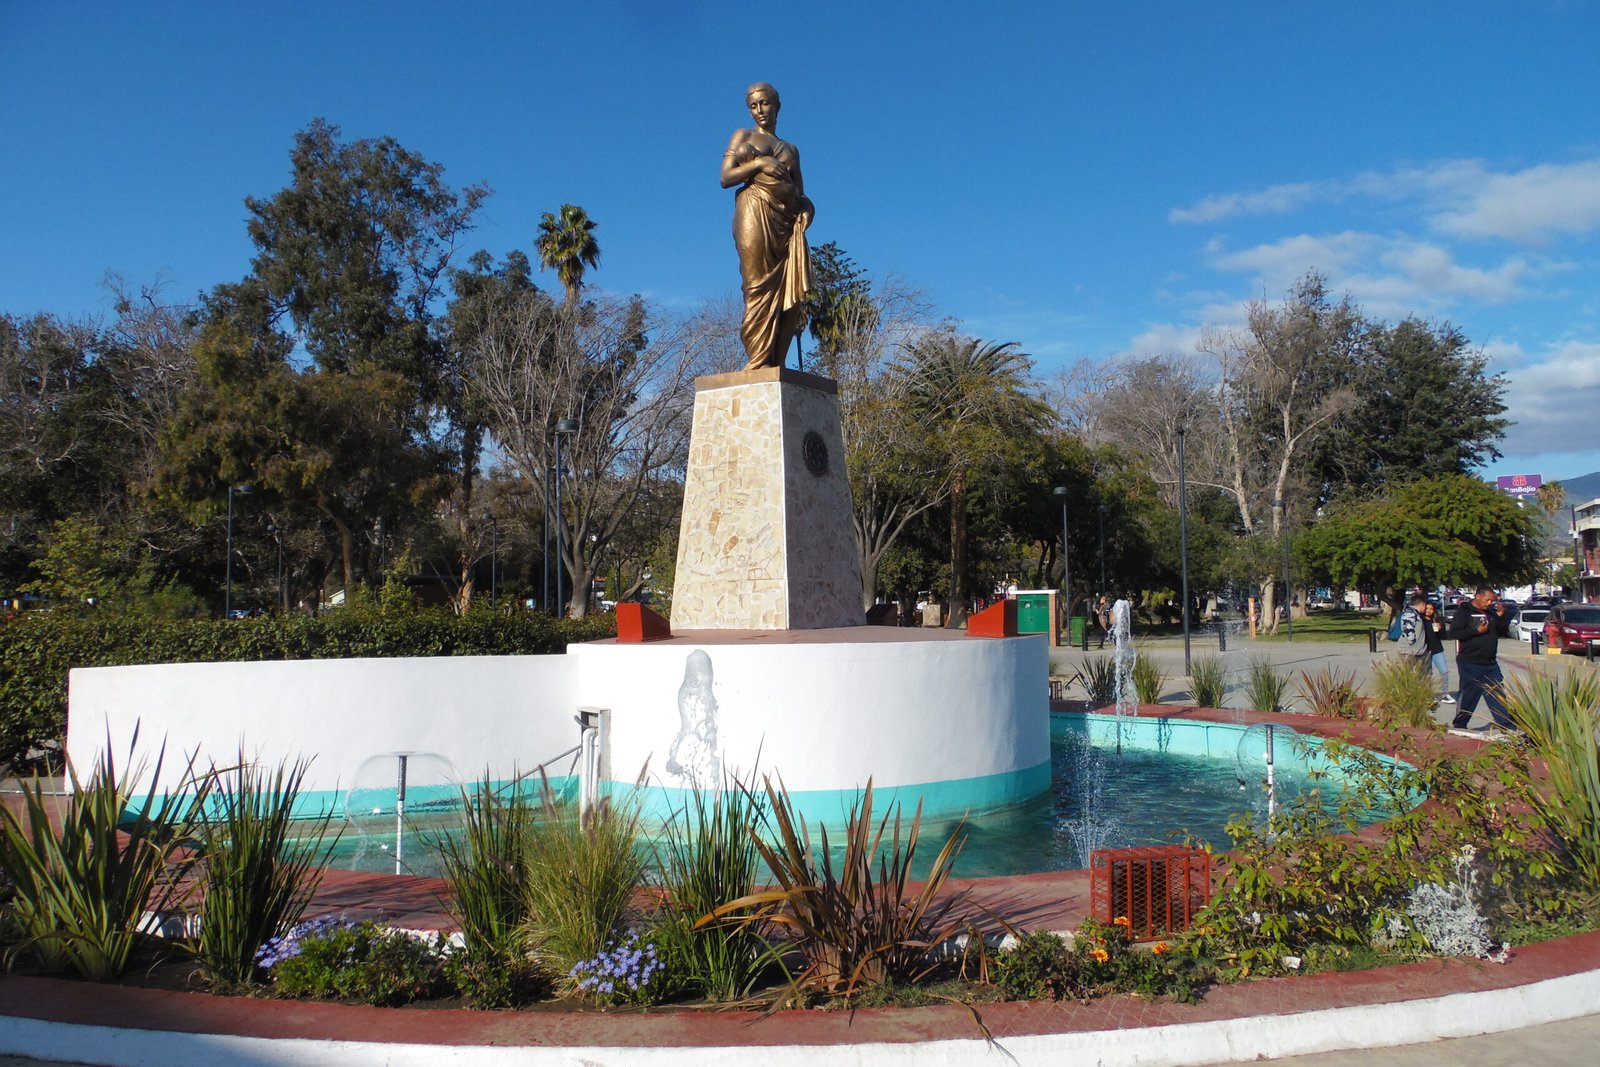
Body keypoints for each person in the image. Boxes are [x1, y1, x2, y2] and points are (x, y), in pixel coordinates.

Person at [721, 82, 814, 371]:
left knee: (793, 293)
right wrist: (759, 163)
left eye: (765, 103)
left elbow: (800, 191)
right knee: (757, 287)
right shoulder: (743, 135)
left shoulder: (791, 149)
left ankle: (778, 364)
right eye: (753, 105)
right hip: (755, 211)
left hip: (787, 224)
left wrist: (809, 208)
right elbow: (726, 177)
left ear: (777, 105)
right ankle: (758, 361)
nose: (759, 110)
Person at [1443, 585, 1513, 731]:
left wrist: (1501, 617)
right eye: (1487, 600)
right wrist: (1476, 630)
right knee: (1470, 694)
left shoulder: (1491, 613)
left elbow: (1502, 631)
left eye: (1492, 601)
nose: (1489, 604)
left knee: (1496, 692)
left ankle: (1505, 725)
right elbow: (1455, 633)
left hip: (1489, 663)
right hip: (1470, 661)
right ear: (1478, 596)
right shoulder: (1464, 612)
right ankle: (1460, 724)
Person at [1402, 593, 1452, 706]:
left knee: (1444, 671)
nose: (1428, 610)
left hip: (1437, 649)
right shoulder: (1420, 619)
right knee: (1426, 674)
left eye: (1431, 609)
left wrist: (1440, 629)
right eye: (1427, 608)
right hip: (1424, 650)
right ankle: (1427, 694)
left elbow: (1444, 637)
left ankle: (1445, 693)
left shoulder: (1436, 620)